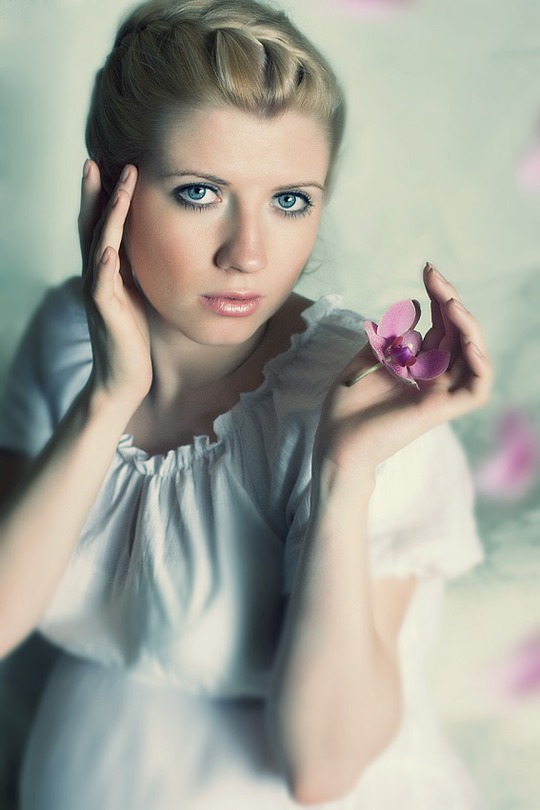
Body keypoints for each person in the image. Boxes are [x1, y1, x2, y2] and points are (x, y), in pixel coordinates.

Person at [0, 0, 492, 807]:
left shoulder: (367, 400)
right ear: (106, 190)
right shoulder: (66, 337)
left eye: (290, 200)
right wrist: (107, 398)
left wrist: (342, 476)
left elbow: (323, 771)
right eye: (199, 192)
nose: (248, 254)